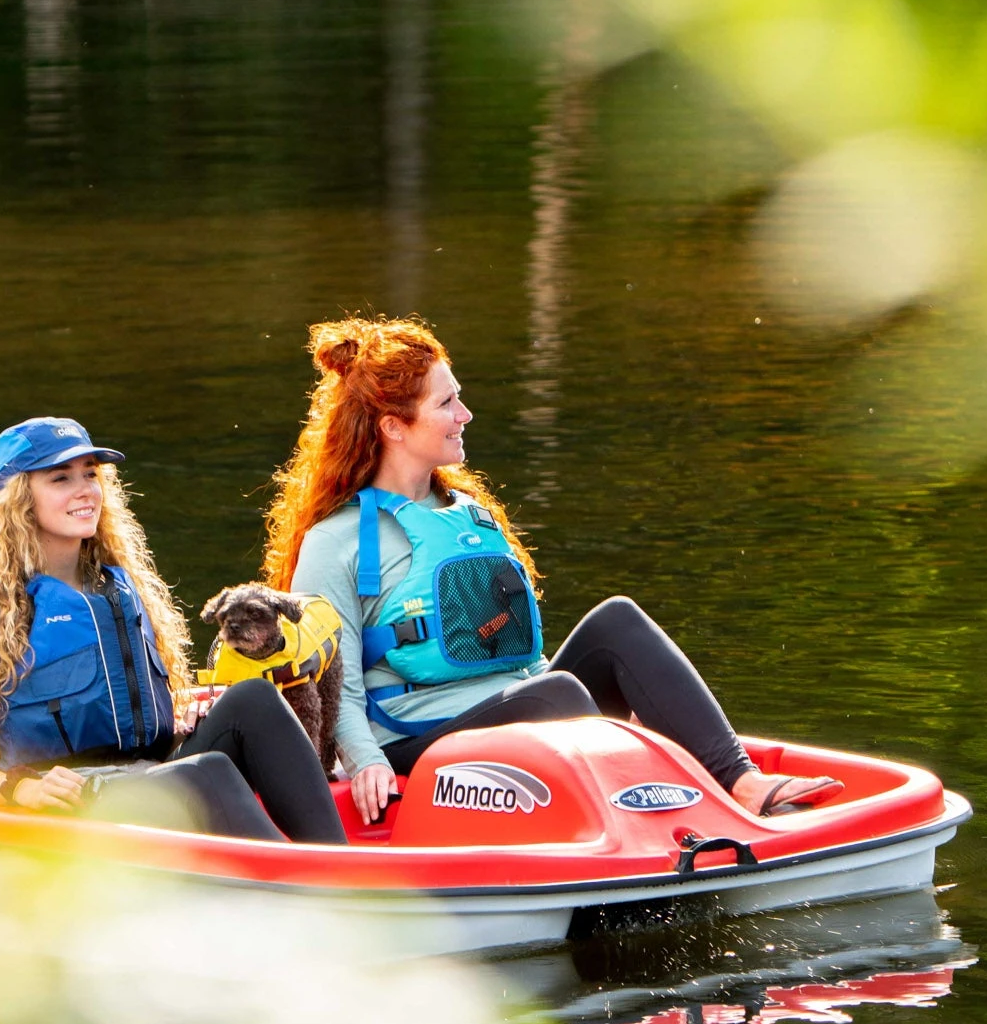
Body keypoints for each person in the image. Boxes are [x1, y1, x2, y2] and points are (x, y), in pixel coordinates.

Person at [261, 317, 843, 826]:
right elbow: (333, 684)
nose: (465, 414)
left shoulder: (470, 515)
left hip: (525, 700)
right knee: (558, 694)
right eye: (446, 404)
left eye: (459, 397)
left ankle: (741, 782)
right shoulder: (335, 541)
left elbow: (517, 650)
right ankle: (629, 806)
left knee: (616, 623)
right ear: (393, 426)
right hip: (418, 741)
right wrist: (366, 761)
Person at [0, 417, 347, 844]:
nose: (85, 489)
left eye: (90, 474)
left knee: (255, 699)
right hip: (71, 798)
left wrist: (179, 727)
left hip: (146, 773)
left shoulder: (115, 587)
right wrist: (25, 789)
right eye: (61, 478)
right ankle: (302, 881)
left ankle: (337, 862)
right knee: (207, 773)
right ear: (19, 499)